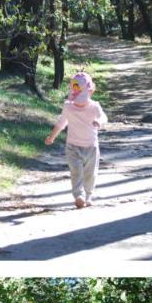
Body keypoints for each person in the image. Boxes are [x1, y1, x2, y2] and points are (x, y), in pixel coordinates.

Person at [45, 69, 108, 209]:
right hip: (72, 147)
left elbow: (104, 117)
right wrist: (52, 137)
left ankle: (89, 195)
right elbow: (61, 123)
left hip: (91, 147)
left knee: (91, 174)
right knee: (76, 172)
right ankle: (78, 196)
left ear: (91, 92)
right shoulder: (69, 106)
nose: (79, 102)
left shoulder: (94, 106)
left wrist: (99, 122)